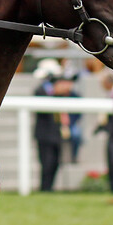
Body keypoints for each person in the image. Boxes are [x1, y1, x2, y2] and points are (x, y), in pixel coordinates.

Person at [32, 59, 79, 191]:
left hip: (57, 133)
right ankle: (45, 188)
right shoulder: (40, 91)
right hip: (44, 134)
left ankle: (50, 188)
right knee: (46, 163)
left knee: (55, 162)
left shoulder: (60, 94)